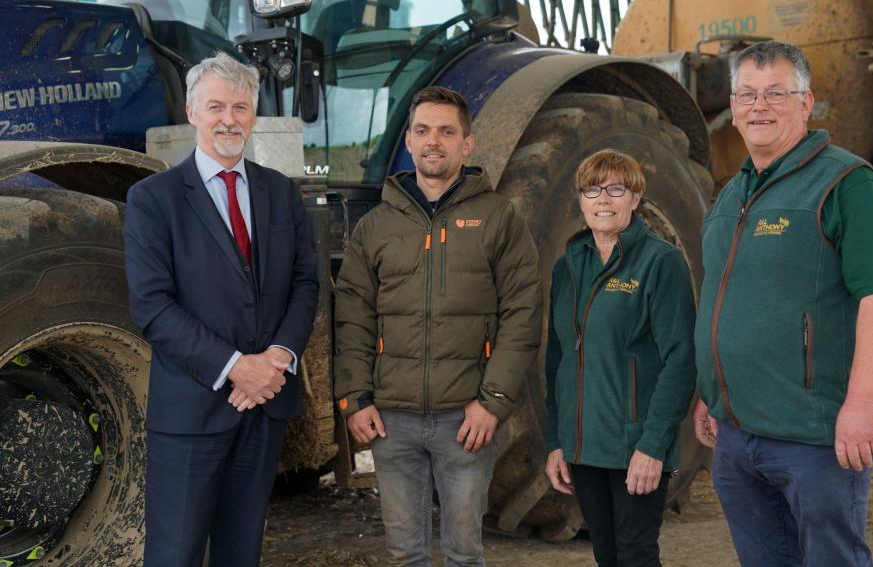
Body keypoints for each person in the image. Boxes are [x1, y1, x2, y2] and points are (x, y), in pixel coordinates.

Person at [693, 40, 873, 567]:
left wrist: (862, 405)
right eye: (746, 94)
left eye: (775, 93)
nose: (758, 107)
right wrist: (710, 392)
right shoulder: (731, 196)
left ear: (805, 102)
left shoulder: (849, 184)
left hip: (815, 439)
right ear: (732, 105)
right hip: (736, 436)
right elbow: (721, 301)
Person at [124, 52, 319, 567]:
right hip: (193, 408)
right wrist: (238, 368)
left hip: (263, 407)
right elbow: (152, 306)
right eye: (216, 106)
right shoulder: (153, 200)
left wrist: (276, 359)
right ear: (192, 113)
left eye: (239, 106)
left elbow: (305, 282)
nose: (229, 119)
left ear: (253, 115)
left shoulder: (282, 193)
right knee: (175, 554)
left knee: (242, 553)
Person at [334, 86, 542, 566]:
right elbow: (353, 317)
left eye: (447, 132)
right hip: (392, 420)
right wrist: (355, 399)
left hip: (465, 420)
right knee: (405, 555)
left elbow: (523, 314)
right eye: (423, 130)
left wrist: (493, 403)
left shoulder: (499, 218)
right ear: (408, 141)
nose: (434, 141)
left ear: (467, 144)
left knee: (464, 554)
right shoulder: (376, 227)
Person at [543, 149, 697, 567]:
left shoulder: (660, 262)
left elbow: (681, 360)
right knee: (606, 555)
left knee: (636, 555)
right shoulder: (568, 267)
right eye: (592, 189)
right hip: (583, 447)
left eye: (616, 189)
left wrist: (653, 447)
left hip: (636, 446)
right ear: (580, 199)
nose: (603, 200)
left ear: (635, 197)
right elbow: (558, 359)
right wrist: (557, 441)